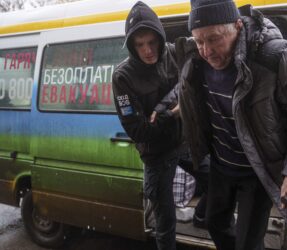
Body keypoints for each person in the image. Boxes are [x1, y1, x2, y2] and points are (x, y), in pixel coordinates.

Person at [175, 0, 287, 249]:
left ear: (238, 26)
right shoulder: (196, 61)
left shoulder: (277, 58)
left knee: (248, 243)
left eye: (214, 39)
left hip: (256, 169)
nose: (206, 51)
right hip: (221, 165)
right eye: (199, 41)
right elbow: (181, 85)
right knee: (214, 223)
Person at [112, 2, 207, 249]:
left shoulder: (176, 52)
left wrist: (164, 111)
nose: (147, 50)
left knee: (220, 177)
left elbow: (197, 78)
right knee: (165, 222)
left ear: (160, 38)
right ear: (132, 45)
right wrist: (174, 112)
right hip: (155, 155)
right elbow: (138, 130)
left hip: (185, 142)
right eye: (140, 44)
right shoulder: (123, 76)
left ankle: (202, 216)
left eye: (151, 42)